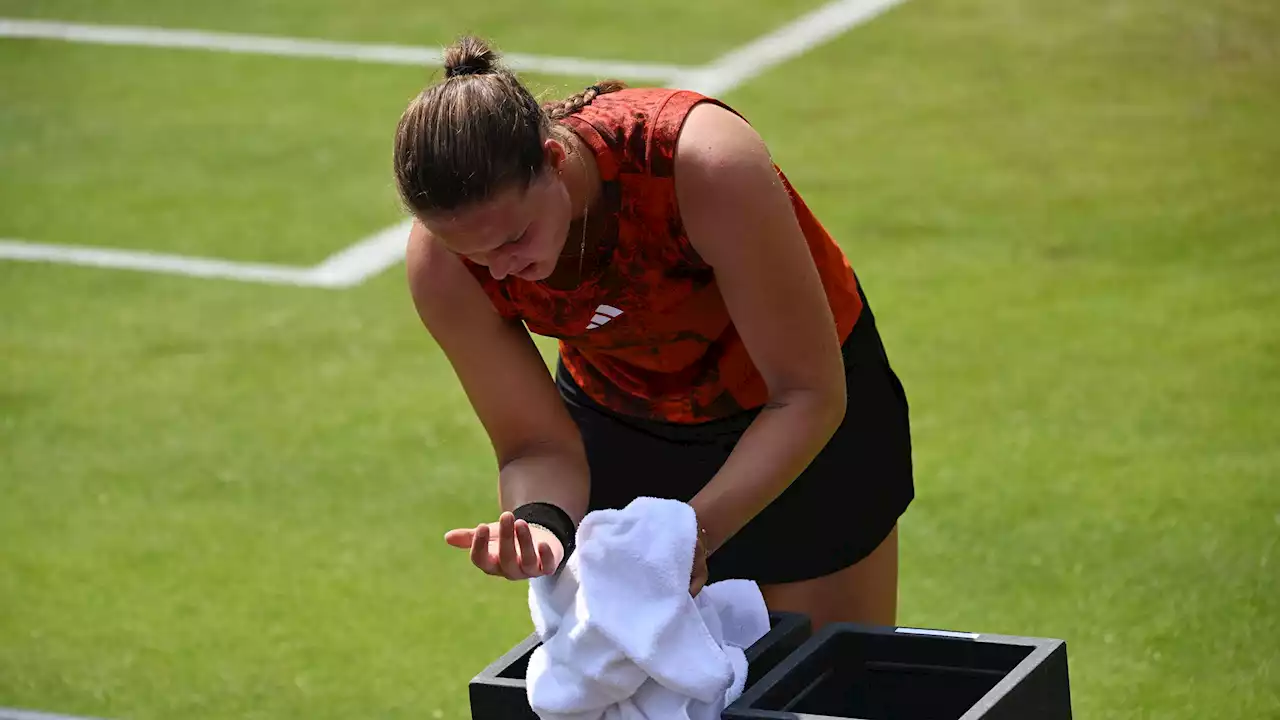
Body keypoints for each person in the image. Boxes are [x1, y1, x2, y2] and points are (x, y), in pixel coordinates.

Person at [394, 35, 914, 630]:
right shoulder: (443, 266)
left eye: (513, 239)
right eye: (476, 254)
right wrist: (540, 526)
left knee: (828, 683)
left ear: (555, 163)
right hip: (623, 420)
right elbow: (535, 446)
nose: (501, 270)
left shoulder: (702, 163)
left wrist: (696, 532)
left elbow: (807, 393)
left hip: (800, 421)